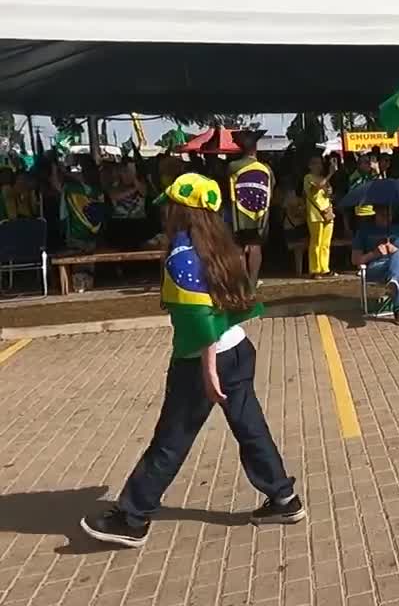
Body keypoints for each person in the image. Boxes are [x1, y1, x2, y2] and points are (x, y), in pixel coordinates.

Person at [80, 173, 303, 548]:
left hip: (202, 359)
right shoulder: (223, 247)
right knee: (250, 427)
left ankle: (133, 517)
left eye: (170, 204)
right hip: (238, 349)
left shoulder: (182, 256)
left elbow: (199, 319)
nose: (165, 210)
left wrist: (208, 368)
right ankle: (283, 497)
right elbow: (234, 304)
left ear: (182, 210)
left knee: (171, 438)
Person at [352, 204, 399, 324]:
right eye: (383, 215)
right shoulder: (364, 232)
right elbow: (355, 260)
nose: (387, 218)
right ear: (375, 212)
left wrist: (395, 250)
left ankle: (393, 283)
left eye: (389, 215)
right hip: (377, 267)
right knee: (398, 272)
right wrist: (374, 254)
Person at [227, 130, 273, 290]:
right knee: (255, 246)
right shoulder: (266, 169)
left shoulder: (233, 167)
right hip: (260, 215)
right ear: (255, 148)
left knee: (239, 248)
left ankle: (241, 284)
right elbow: (271, 188)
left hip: (238, 216)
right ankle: (252, 285)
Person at [303, 155, 336, 278]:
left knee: (326, 242)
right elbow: (316, 187)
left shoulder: (323, 178)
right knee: (316, 242)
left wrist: (329, 191)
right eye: (315, 164)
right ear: (310, 166)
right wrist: (330, 174)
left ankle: (324, 267)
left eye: (320, 164)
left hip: (327, 212)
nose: (318, 166)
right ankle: (315, 269)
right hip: (315, 214)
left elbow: (327, 192)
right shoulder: (308, 178)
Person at [348, 154, 378, 233]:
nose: (369, 165)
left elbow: (381, 186)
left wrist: (377, 172)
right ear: (359, 164)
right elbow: (358, 191)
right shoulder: (355, 176)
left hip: (374, 210)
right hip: (361, 213)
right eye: (366, 162)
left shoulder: (373, 174)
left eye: (369, 162)